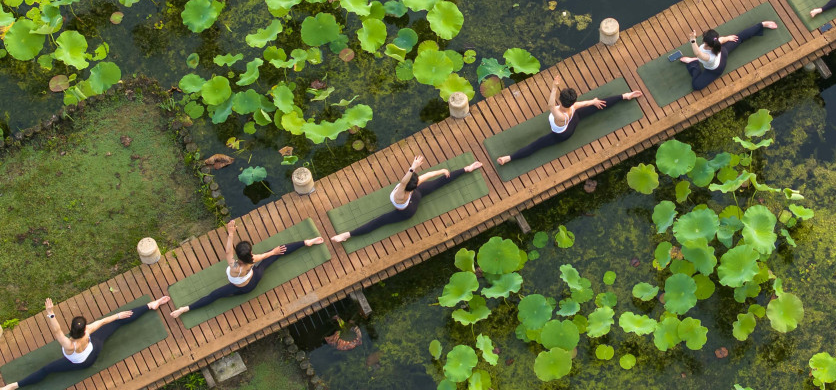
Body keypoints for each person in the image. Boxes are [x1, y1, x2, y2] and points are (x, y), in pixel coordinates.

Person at [0, 295, 171, 389]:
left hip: (84, 363)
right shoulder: (89, 330)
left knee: (47, 370)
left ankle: (15, 385)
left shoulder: (68, 344)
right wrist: (118, 315)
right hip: (95, 346)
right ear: (83, 328)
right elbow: (105, 321)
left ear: (72, 329)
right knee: (118, 321)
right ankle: (151, 305)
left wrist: (50, 313)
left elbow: (56, 330)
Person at [169, 220, 324, 320]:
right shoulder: (252, 259)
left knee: (215, 295)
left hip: (246, 286)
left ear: (239, 256)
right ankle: (306, 242)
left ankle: (184, 309)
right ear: (248, 253)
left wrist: (231, 234)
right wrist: (273, 252)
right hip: (254, 277)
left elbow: (228, 252)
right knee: (276, 252)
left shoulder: (235, 267)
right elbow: (266, 255)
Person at [331, 155, 484, 242]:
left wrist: (413, 166)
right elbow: (428, 176)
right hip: (414, 198)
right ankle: (467, 169)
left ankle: (347, 235)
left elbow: (407, 179)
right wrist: (440, 170)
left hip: (408, 210)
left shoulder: (400, 193)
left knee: (379, 221)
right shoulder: (413, 186)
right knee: (438, 183)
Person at [496, 75, 643, 165]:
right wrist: (592, 101)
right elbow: (582, 104)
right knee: (597, 104)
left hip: (563, 134)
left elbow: (550, 105)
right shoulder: (573, 106)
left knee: (536, 145)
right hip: (574, 117)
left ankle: (509, 158)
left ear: (560, 100)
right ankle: (625, 96)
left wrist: (554, 87)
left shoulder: (559, 116)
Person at [681, 20, 779, 90]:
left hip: (715, 70)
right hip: (723, 52)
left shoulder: (708, 57)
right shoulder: (716, 43)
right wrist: (728, 38)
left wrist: (692, 39)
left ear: (705, 42)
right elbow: (722, 39)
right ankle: (762, 24)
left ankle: (693, 63)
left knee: (696, 86)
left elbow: (697, 53)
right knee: (738, 38)